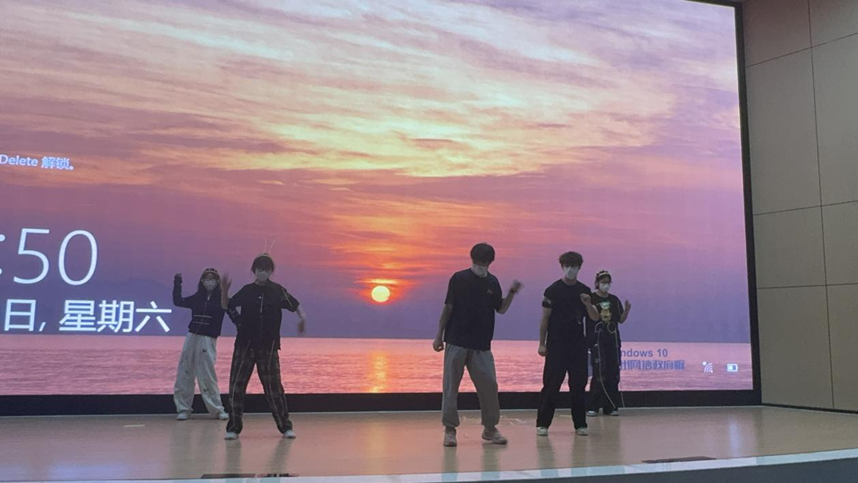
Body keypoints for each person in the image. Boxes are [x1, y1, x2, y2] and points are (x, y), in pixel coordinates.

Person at [433, 242, 522, 447]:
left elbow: (501, 309)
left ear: (490, 263)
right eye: (479, 262)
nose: (482, 265)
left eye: (485, 262)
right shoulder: (459, 278)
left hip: (482, 344)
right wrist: (439, 336)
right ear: (472, 260)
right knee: (451, 387)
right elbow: (448, 308)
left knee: (489, 385)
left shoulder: (492, 282)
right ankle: (450, 430)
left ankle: (490, 429)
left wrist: (511, 292)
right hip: (456, 341)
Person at [220, 253, 307, 441]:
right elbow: (227, 305)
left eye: (266, 269)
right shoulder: (247, 290)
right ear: (254, 271)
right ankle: (233, 428)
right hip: (245, 345)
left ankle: (285, 427)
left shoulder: (277, 290)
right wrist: (224, 291)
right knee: (237, 386)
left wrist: (302, 318)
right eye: (260, 269)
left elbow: (295, 304)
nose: (263, 272)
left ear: (271, 271)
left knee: (274, 388)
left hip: (269, 346)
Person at [536, 252, 600, 437]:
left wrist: (588, 304)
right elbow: (545, 319)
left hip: (578, 345)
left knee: (578, 385)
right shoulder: (552, 290)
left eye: (574, 266)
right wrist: (542, 343)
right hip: (556, 344)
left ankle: (580, 424)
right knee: (551, 384)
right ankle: (543, 424)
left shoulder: (584, 290)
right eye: (567, 266)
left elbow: (594, 317)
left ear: (579, 268)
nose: (570, 269)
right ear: (562, 267)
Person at [172, 268, 230, 421]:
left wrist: (225, 291)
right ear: (202, 281)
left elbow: (230, 309)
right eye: (207, 278)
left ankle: (217, 409)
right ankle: (183, 409)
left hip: (208, 338)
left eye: (213, 279)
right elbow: (178, 301)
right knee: (185, 371)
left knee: (207, 374)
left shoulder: (221, 300)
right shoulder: (197, 298)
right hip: (192, 336)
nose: (209, 282)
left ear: (217, 282)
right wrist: (177, 283)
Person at [587, 270, 631, 417]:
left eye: (608, 282)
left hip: (613, 341)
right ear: (597, 283)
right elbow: (591, 317)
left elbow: (620, 320)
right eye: (603, 282)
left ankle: (611, 406)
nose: (606, 285)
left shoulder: (614, 300)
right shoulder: (592, 298)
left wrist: (627, 310)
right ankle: (593, 406)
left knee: (613, 373)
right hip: (597, 341)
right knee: (599, 373)